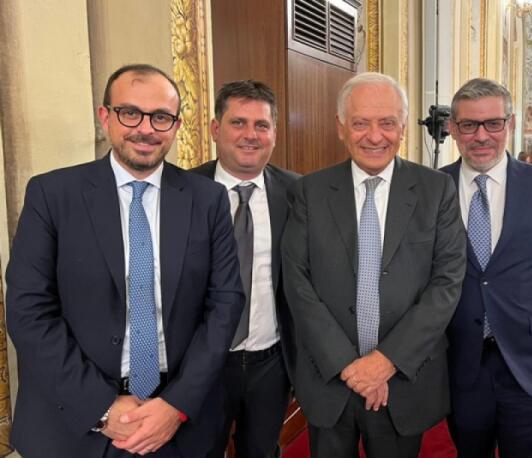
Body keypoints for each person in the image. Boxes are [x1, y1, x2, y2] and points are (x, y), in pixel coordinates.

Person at [5, 64, 244, 458]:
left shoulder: (207, 199)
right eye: (130, 113)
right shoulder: (53, 194)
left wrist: (177, 404)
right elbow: (29, 311)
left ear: (176, 125)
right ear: (106, 117)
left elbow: (225, 304)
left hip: (178, 420)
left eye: (161, 117)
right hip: (73, 421)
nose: (145, 129)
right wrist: (101, 407)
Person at [282, 72, 466, 458]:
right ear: (340, 127)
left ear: (403, 127)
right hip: (330, 379)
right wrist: (349, 366)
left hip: (404, 380)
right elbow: (298, 283)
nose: (374, 136)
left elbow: (446, 282)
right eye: (360, 123)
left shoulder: (436, 190)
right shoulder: (309, 191)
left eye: (387, 123)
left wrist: (385, 362)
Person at [441, 78, 532, 458]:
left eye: (493, 123)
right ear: (453, 129)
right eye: (469, 125)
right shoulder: (432, 188)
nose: (481, 136)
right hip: (461, 369)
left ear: (509, 124)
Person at [191, 80, 299, 458]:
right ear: (215, 128)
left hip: (271, 362)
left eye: (261, 125)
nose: (250, 135)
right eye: (238, 122)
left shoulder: (298, 193)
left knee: (262, 451)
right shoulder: (182, 191)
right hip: (200, 362)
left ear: (274, 134)